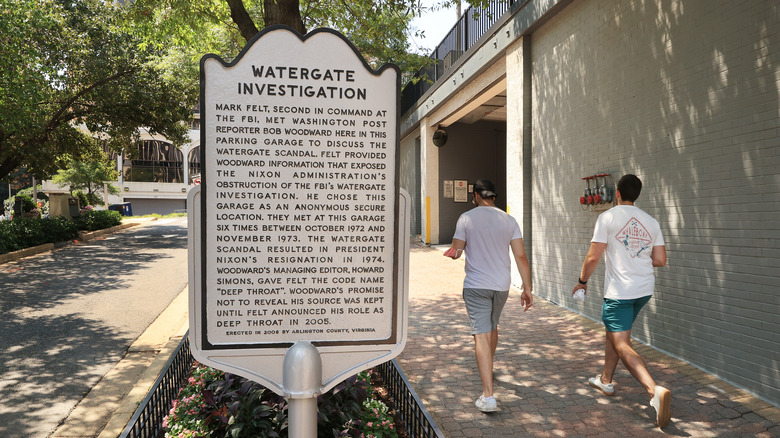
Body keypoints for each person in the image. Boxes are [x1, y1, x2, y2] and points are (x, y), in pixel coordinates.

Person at [573, 174, 670, 428]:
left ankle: (654, 391)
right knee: (614, 334)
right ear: (636, 195)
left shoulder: (607, 217)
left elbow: (593, 256)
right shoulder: (650, 222)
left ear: (617, 193)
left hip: (620, 292)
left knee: (622, 343)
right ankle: (605, 380)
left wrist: (582, 281)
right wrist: (636, 258)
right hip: (643, 290)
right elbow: (660, 260)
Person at [445, 179, 533, 413]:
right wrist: (527, 287)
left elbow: (457, 250)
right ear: (494, 196)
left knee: (481, 335)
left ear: (476, 196)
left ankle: (488, 396)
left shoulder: (466, 218)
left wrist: (452, 252)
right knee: (492, 326)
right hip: (501, 287)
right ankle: (488, 366)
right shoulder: (509, 220)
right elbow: (521, 256)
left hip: (476, 285)